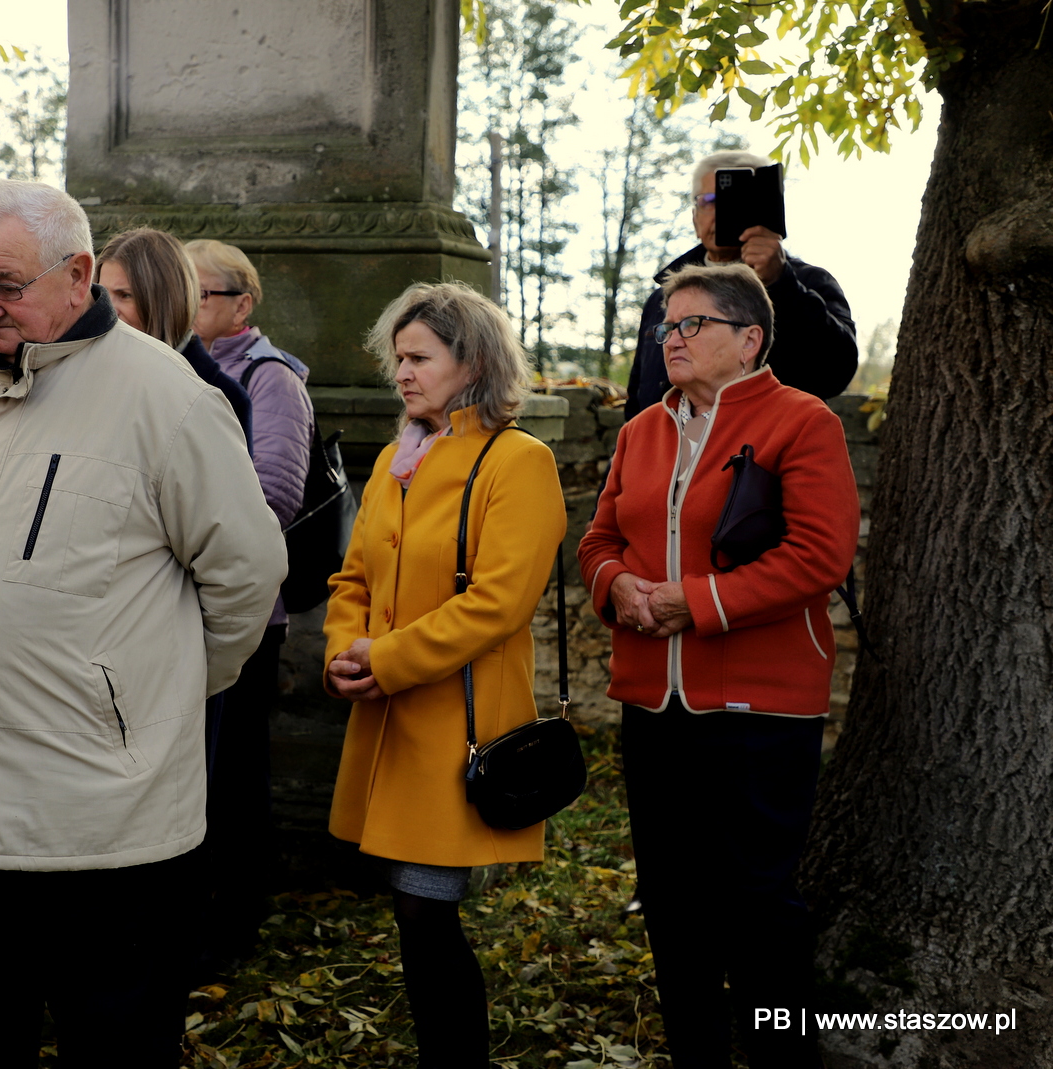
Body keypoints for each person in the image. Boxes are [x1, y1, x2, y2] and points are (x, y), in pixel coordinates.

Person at [0, 179, 284, 1067]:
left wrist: (145, 699)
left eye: (4, 285)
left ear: (79, 274)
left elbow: (247, 572)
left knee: (114, 1047)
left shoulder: (170, 397)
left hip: (106, 829)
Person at [578, 263, 860, 1067]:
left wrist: (692, 602)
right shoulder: (640, 430)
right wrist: (617, 583)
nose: (671, 338)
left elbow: (819, 555)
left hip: (760, 712)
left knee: (757, 907)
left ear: (749, 339)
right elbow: (597, 541)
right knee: (671, 904)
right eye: (666, 325)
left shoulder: (803, 422)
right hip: (651, 706)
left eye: (691, 324)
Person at [324, 281, 566, 1067]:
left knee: (426, 918)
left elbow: (498, 603)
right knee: (413, 920)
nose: (402, 372)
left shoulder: (518, 461)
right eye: (397, 358)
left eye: (419, 357)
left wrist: (385, 661)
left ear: (473, 364)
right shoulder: (402, 457)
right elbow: (352, 578)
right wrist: (342, 648)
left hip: (456, 734)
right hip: (388, 727)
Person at [185, 237, 317, 968]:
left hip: (242, 616)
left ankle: (233, 924)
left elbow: (274, 498)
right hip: (171, 613)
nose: (192, 303)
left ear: (243, 303)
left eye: (204, 292)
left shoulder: (270, 380)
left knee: (233, 774)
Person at [624, 150, 858, 421]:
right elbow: (638, 399)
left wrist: (780, 283)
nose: (722, 210)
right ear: (694, 218)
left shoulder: (809, 283)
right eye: (709, 200)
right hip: (667, 458)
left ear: (762, 209)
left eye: (735, 199)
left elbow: (835, 374)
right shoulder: (662, 298)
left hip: (763, 455)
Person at [94, 227, 253, 446]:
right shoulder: (83, 376)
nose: (109, 309)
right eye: (103, 294)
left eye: (125, 295)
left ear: (165, 302)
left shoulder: (221, 397)